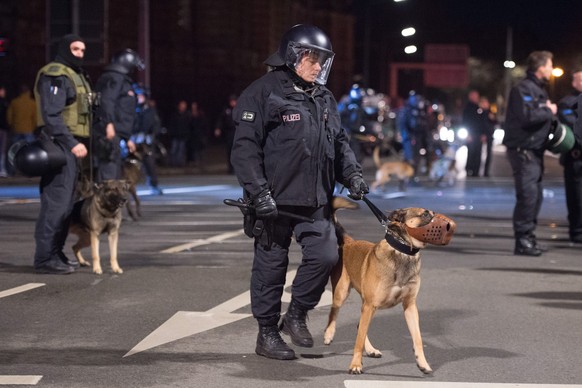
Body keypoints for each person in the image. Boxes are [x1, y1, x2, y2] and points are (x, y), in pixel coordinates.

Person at [230, 24, 369, 361]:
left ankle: (296, 315)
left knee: (325, 255)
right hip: (273, 201)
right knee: (271, 266)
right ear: (293, 56)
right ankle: (266, 334)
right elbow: (245, 149)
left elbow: (337, 143)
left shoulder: (323, 97)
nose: (319, 66)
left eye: (323, 60)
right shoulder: (263, 93)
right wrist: (258, 192)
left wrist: (352, 175)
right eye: (314, 58)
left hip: (315, 199)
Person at [32, 34, 92, 274]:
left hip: (70, 145)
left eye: (83, 49)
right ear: (64, 49)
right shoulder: (56, 73)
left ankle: (56, 253)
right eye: (75, 49)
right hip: (58, 144)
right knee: (56, 204)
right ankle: (44, 258)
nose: (80, 53)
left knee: (66, 205)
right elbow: (51, 115)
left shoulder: (74, 74)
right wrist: (70, 142)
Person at [503, 50, 557, 256]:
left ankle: (529, 237)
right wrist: (549, 110)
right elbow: (527, 117)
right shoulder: (523, 89)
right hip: (523, 149)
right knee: (528, 196)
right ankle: (522, 240)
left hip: (533, 150)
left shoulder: (536, 89)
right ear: (541, 67)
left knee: (536, 196)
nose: (552, 69)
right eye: (550, 65)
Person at [93, 48, 144, 182]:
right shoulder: (115, 79)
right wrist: (108, 124)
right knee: (108, 174)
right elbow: (106, 100)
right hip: (109, 134)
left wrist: (127, 138)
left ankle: (109, 201)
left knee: (114, 172)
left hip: (116, 133)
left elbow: (121, 110)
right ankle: (104, 202)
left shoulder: (121, 79)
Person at [557, 67, 582, 243]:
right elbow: (573, 124)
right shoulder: (567, 102)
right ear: (574, 83)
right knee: (576, 197)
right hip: (575, 155)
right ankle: (577, 231)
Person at [132, 83, 163, 194]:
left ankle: (153, 185)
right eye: (138, 96)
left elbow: (155, 126)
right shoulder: (133, 110)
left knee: (150, 164)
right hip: (133, 141)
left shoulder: (150, 111)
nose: (139, 98)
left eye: (141, 96)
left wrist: (151, 136)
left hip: (145, 142)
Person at [463, 89, 484, 177]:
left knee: (478, 152)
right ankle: (469, 169)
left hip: (478, 134)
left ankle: (476, 170)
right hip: (471, 134)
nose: (476, 98)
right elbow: (466, 122)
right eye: (474, 96)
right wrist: (468, 134)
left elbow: (482, 122)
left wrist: (483, 134)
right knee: (471, 152)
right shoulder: (467, 108)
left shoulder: (479, 108)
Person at [214, 94, 237, 173]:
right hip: (229, 132)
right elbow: (220, 120)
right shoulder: (226, 110)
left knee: (238, 150)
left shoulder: (240, 109)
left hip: (238, 132)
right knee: (229, 150)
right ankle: (231, 168)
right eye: (231, 101)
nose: (233, 103)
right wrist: (218, 128)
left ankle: (237, 168)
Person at [479, 96, 496, 177]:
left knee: (489, 154)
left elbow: (495, 122)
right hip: (481, 135)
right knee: (478, 153)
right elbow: (480, 124)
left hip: (489, 135)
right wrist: (482, 134)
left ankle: (486, 171)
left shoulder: (490, 112)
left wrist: (493, 119)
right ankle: (477, 170)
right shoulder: (480, 112)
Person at [0, 85, 8, 177]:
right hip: (3, 128)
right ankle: (2, 169)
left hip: (3, 128)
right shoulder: (4, 103)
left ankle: (2, 169)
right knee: (2, 150)